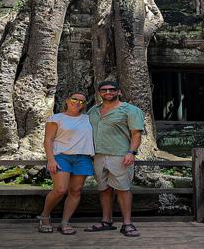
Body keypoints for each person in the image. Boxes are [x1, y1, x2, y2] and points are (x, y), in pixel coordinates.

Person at [85, 80, 144, 238]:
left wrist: (131, 152)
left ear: (119, 92)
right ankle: (106, 221)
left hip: (120, 155)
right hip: (97, 155)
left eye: (112, 90)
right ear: (99, 93)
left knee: (123, 189)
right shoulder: (93, 111)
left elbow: (136, 134)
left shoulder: (130, 110)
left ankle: (127, 223)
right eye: (104, 90)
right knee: (103, 189)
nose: (108, 92)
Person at [38, 91, 94, 235]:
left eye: (82, 101)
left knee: (76, 191)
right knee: (60, 189)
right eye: (75, 99)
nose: (78, 103)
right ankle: (44, 216)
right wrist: (50, 159)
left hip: (83, 158)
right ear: (67, 100)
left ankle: (65, 222)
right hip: (61, 156)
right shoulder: (56, 118)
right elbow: (48, 140)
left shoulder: (88, 119)